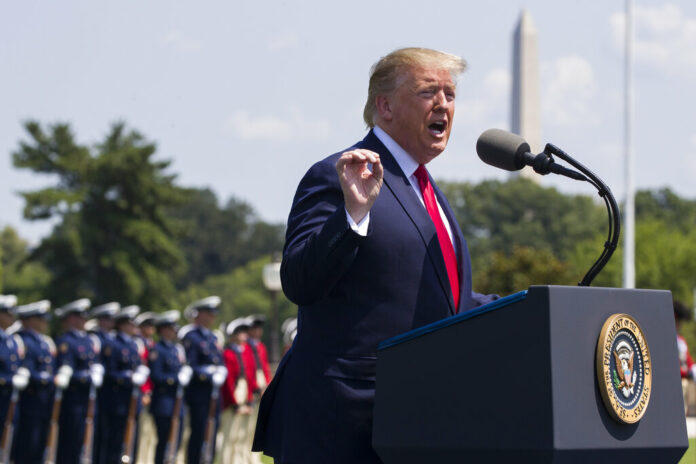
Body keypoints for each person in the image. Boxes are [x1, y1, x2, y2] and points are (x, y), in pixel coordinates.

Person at [253, 47, 496, 463]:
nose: (443, 105)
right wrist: (351, 216)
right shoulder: (339, 176)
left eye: (450, 94)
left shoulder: (426, 190)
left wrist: (529, 306)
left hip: (415, 422)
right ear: (384, 105)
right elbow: (298, 281)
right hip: (343, 426)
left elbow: (445, 300)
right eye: (428, 92)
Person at [54, 298, 104, 464]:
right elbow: (65, 372)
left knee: (82, 442)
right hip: (72, 400)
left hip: (86, 400)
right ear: (71, 319)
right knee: (69, 443)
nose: (83, 320)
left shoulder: (88, 341)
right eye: (80, 317)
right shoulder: (66, 341)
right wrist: (88, 377)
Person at [180, 296, 228, 464]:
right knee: (199, 432)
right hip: (199, 392)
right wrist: (208, 374)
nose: (212, 317)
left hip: (213, 394)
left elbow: (219, 361)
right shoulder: (191, 336)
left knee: (213, 431)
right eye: (209, 313)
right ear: (199, 314)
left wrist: (221, 370)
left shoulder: (213, 337)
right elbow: (190, 364)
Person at [100, 305, 150, 464]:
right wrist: (129, 377)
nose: (134, 327)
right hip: (117, 401)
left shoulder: (134, 344)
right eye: (131, 323)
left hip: (131, 400)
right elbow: (109, 372)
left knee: (130, 441)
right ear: (121, 324)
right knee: (114, 441)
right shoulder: (113, 343)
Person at [12, 299, 55, 464]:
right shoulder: (24, 340)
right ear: (30, 320)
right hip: (29, 401)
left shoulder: (44, 342)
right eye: (41, 318)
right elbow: (28, 369)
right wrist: (46, 378)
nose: (44, 322)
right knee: (26, 446)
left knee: (39, 446)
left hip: (43, 402)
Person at [149, 310, 191, 464]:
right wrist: (175, 379)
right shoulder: (157, 350)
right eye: (172, 328)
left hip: (177, 403)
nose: (175, 331)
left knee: (176, 441)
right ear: (164, 329)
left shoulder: (176, 349)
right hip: (163, 403)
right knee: (164, 441)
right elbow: (156, 376)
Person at [220, 318, 257, 464]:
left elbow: (248, 377)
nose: (245, 335)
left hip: (243, 396)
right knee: (229, 437)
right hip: (232, 400)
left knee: (241, 435)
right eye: (241, 332)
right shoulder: (228, 353)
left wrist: (249, 400)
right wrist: (234, 404)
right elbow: (228, 382)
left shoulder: (243, 352)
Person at [88, 301, 120, 464]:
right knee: (98, 436)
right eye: (107, 319)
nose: (110, 322)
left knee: (111, 436)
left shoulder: (113, 339)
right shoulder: (95, 338)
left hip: (113, 396)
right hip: (101, 395)